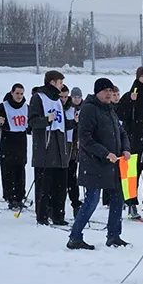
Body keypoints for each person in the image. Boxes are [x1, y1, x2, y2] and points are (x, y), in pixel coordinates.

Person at [67, 78, 131, 250]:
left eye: (111, 90)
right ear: (97, 92)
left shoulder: (110, 110)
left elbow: (122, 132)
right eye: (106, 90)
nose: (109, 93)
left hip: (114, 164)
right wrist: (105, 153)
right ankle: (75, 237)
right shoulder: (89, 109)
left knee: (118, 197)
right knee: (92, 200)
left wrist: (125, 149)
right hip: (94, 165)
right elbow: (85, 139)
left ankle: (114, 236)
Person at [117, 66, 143, 219]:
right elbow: (120, 115)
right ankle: (131, 204)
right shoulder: (130, 95)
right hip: (132, 141)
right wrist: (129, 101)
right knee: (131, 175)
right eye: (142, 76)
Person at [29, 70, 70, 226]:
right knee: (44, 187)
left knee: (60, 187)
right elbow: (32, 121)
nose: (62, 86)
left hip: (60, 150)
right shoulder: (38, 98)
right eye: (60, 82)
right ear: (52, 82)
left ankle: (58, 215)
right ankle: (42, 216)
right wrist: (46, 120)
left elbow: (63, 124)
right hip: (45, 150)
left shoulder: (58, 100)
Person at [0, 83, 30, 210]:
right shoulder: (3, 107)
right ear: (12, 93)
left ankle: (19, 197)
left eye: (21, 94)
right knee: (8, 170)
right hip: (7, 142)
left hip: (21, 142)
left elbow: (29, 127)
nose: (19, 96)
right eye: (17, 93)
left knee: (20, 170)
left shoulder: (26, 107)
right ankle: (10, 197)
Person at [65, 87, 83, 217]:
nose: (76, 99)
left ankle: (76, 203)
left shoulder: (84, 109)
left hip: (77, 148)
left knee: (73, 178)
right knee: (66, 177)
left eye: (78, 97)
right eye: (75, 97)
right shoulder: (67, 109)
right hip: (67, 145)